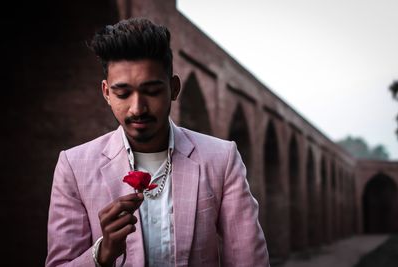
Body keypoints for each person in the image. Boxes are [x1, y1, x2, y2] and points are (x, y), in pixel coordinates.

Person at [46, 17, 269, 267]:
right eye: (123, 94)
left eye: (152, 91)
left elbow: (249, 260)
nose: (137, 108)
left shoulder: (221, 158)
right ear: (106, 93)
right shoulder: (75, 166)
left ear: (174, 89)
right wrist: (102, 253)